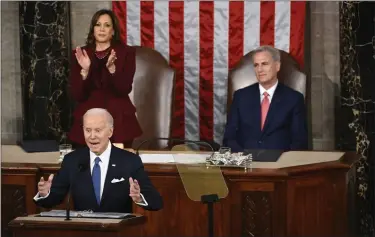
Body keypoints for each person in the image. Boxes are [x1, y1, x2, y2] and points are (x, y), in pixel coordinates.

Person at [34, 108, 163, 212]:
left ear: (110, 132)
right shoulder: (72, 160)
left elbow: (156, 201)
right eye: (88, 130)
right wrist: (45, 194)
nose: (92, 136)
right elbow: (53, 199)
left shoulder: (129, 161)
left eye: (98, 130)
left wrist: (139, 197)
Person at [68, 9, 141, 148]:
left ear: (113, 31)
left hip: (118, 118)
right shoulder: (81, 54)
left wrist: (113, 70)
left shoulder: (126, 53)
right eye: (98, 25)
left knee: (118, 165)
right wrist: (85, 71)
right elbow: (78, 95)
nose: (102, 29)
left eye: (107, 25)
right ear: (93, 29)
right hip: (88, 117)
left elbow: (123, 89)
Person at [223, 45, 308, 153]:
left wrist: (283, 163)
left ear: (277, 66)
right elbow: (229, 138)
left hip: (280, 165)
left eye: (264, 64)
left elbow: (299, 142)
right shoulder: (241, 96)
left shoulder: (294, 98)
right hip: (245, 163)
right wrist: (243, 158)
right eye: (256, 65)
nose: (260, 69)